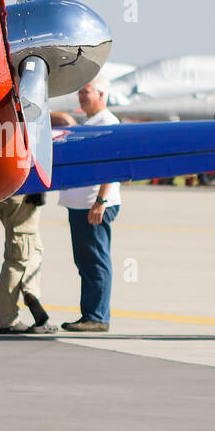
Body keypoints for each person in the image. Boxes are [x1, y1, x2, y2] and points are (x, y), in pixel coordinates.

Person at [59, 75, 120, 333]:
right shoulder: (90, 122)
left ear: (102, 95)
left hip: (94, 205)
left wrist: (100, 201)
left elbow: (113, 163)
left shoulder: (107, 122)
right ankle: (90, 314)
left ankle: (97, 316)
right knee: (85, 262)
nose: (82, 96)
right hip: (82, 204)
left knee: (95, 261)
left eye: (87, 92)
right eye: (80, 93)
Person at [0, 194, 57, 334]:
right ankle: (7, 319)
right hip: (21, 193)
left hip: (3, 192)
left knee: (34, 248)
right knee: (18, 258)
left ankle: (31, 291)